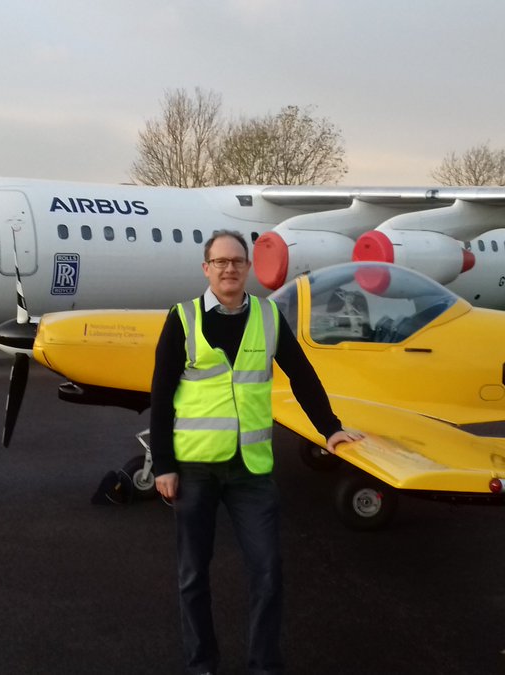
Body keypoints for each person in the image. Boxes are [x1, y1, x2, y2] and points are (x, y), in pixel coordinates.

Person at [150, 230, 361, 675]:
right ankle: (202, 663)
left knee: (267, 572)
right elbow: (161, 394)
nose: (229, 268)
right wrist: (164, 466)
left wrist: (331, 430)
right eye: (220, 261)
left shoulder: (267, 317)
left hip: (251, 472)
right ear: (206, 268)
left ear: (248, 268)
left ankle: (264, 665)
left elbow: (302, 375)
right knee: (193, 576)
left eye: (237, 262)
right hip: (195, 469)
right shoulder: (182, 319)